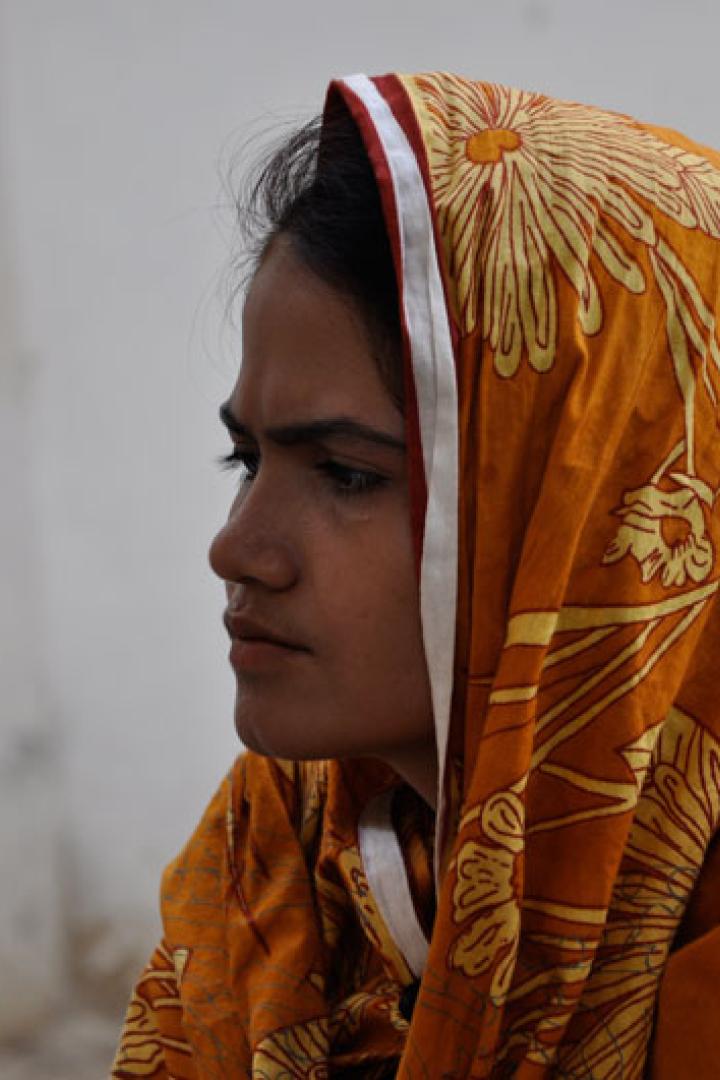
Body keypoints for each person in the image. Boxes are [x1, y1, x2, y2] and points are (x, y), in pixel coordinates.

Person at [112, 72, 720, 1078]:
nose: (237, 549)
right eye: (247, 459)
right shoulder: (283, 861)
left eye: (349, 473)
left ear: (594, 507)